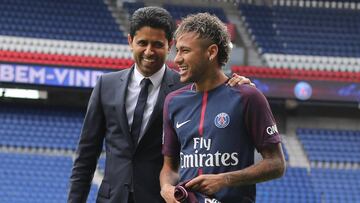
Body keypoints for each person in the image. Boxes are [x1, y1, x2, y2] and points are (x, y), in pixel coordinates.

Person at [67, 7, 252, 203]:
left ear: (169, 44)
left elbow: (217, 92)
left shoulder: (189, 87)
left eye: (157, 44)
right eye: (142, 43)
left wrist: (237, 85)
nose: (149, 51)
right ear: (130, 41)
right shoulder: (106, 85)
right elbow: (86, 156)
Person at [160, 13, 286, 203]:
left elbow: (276, 164)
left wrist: (225, 179)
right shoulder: (173, 101)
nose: (177, 59)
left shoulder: (247, 97)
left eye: (185, 51)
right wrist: (167, 189)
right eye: (177, 51)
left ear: (211, 52)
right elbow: (169, 168)